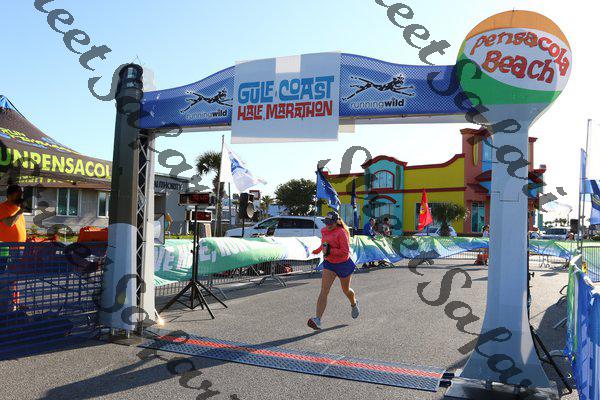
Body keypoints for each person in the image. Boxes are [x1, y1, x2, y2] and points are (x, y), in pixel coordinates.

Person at [308, 210, 359, 330]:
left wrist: (330, 250)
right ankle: (317, 319)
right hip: (330, 264)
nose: (328, 225)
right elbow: (324, 244)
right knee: (324, 290)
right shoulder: (324, 230)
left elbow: (345, 252)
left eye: (331, 222)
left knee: (346, 290)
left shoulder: (342, 233)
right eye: (327, 222)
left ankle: (354, 303)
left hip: (343, 264)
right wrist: (317, 250)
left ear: (337, 222)